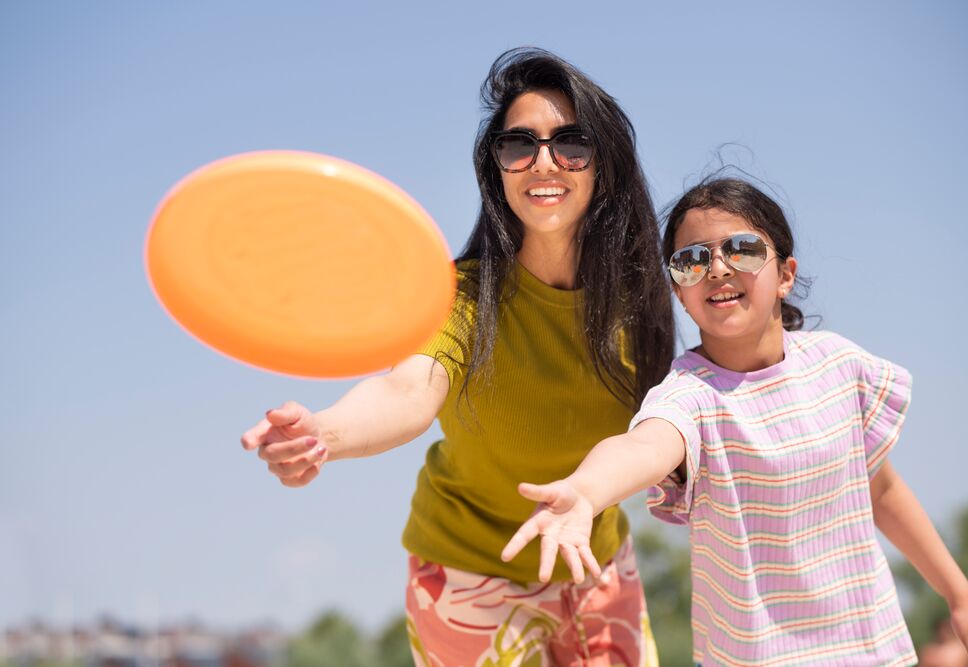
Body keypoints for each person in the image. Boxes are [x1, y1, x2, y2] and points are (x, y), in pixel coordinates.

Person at [240, 47, 675, 666]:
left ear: (603, 164)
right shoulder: (463, 298)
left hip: (593, 565)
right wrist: (323, 434)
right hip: (469, 574)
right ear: (497, 168)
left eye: (570, 143)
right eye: (518, 145)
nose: (543, 162)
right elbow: (406, 391)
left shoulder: (641, 303)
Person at [502, 178, 968, 665]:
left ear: (785, 274)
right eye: (691, 261)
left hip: (873, 652)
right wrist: (587, 489)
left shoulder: (841, 365)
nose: (718, 268)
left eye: (741, 250)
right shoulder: (690, 397)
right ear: (679, 292)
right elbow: (644, 447)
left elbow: (881, 489)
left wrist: (958, 595)